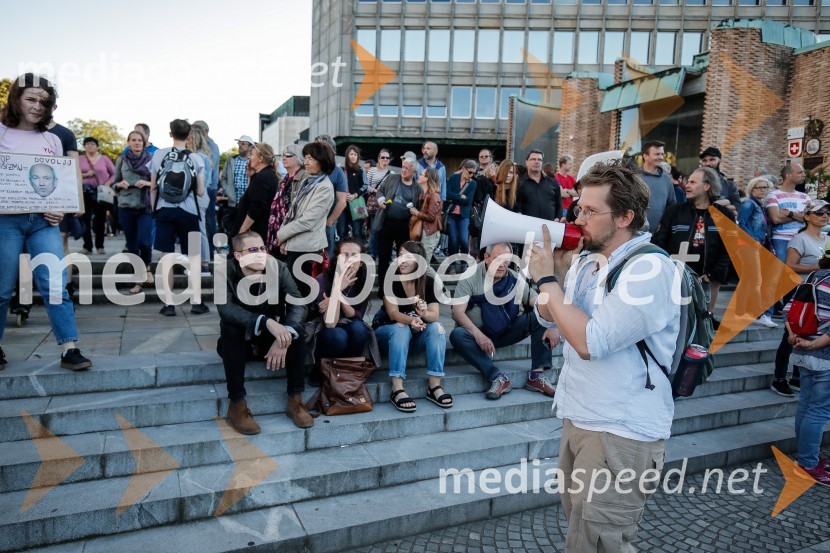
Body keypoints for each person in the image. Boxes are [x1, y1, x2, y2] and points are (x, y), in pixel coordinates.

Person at [528, 159, 680, 552]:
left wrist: (547, 281)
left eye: (591, 211)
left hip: (621, 428)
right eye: (579, 207)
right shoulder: (585, 258)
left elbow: (589, 341)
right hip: (581, 415)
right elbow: (546, 312)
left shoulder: (649, 268)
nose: (579, 217)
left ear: (626, 216)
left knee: (601, 542)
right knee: (581, 530)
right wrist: (557, 277)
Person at [0, 73, 91, 370]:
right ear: (16, 98)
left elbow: (60, 180)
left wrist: (61, 208)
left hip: (44, 221)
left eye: (44, 101)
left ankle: (69, 348)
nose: (38, 106)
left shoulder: (52, 139)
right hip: (5, 222)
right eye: (31, 99)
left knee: (55, 283)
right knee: (2, 288)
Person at [216, 231, 310, 433]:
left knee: (297, 333)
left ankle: (295, 401)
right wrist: (264, 321)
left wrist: (284, 335)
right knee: (231, 330)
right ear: (239, 256)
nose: (260, 254)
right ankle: (237, 406)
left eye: (262, 248)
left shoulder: (277, 267)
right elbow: (225, 309)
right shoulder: (224, 271)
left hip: (267, 339)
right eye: (252, 250)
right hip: (239, 339)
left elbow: (298, 303)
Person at [450, 242, 558, 400]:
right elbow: (457, 313)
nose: (502, 264)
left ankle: (536, 376)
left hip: (506, 329)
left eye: (506, 260)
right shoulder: (470, 276)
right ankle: (497, 377)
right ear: (487, 258)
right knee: (457, 335)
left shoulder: (513, 277)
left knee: (539, 314)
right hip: (478, 333)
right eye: (497, 259)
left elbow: (537, 300)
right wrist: (479, 335)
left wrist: (552, 323)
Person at [375, 241, 451, 412]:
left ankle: (434, 385)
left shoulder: (428, 282)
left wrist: (423, 314)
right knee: (401, 327)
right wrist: (412, 321)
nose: (401, 260)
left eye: (408, 257)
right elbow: (393, 313)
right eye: (400, 255)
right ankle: (397, 388)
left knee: (437, 328)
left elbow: (434, 314)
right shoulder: (391, 279)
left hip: (412, 338)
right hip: (386, 334)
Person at [653, 167, 734, 314]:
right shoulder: (674, 211)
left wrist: (713, 275)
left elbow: (729, 250)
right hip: (675, 279)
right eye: (687, 182)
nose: (687, 185)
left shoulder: (724, 215)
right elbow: (659, 242)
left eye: (692, 182)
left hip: (707, 280)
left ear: (707, 186)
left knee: (703, 320)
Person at [770, 200, 830, 397]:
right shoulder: (800, 239)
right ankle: (779, 378)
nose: (824, 215)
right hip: (801, 293)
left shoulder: (827, 238)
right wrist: (820, 268)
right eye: (819, 212)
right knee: (790, 336)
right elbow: (790, 265)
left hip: (821, 295)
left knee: (810, 333)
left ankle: (797, 375)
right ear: (807, 217)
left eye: (827, 212)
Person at [150, 119, 206, 316]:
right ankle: (196, 302)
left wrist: (154, 210)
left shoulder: (158, 155)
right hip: (188, 212)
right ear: (189, 135)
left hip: (164, 210)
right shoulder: (197, 159)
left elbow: (153, 187)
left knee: (166, 257)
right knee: (192, 257)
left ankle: (169, 304)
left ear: (170, 134)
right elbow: (200, 192)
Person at [786, 243, 830, 486]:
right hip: (824, 355)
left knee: (806, 405)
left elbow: (788, 310)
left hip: (801, 349)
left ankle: (805, 458)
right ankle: (808, 463)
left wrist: (794, 337)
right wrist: (815, 345)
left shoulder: (814, 276)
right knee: (819, 411)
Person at [305, 237, 379, 378]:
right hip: (322, 331)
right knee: (338, 335)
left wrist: (336, 295)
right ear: (337, 258)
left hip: (349, 325)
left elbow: (356, 316)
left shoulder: (363, 282)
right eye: (345, 255)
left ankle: (346, 370)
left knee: (360, 329)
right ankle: (321, 369)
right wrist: (338, 286)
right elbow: (330, 322)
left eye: (355, 256)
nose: (350, 260)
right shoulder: (322, 280)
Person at [276, 141, 335, 299]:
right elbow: (292, 212)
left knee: (300, 292)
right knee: (291, 289)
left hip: (307, 247)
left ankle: (299, 323)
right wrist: (284, 239)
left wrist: (282, 234)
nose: (306, 162)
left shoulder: (324, 187)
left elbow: (307, 221)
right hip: (295, 243)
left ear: (322, 161)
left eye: (310, 158)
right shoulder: (308, 181)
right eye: (306, 158)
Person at [112, 130, 154, 295]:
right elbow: (113, 183)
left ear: (144, 143)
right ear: (128, 142)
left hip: (145, 206)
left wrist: (147, 182)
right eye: (134, 140)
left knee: (144, 241)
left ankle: (147, 268)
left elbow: (158, 182)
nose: (137, 143)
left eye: (140, 140)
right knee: (132, 246)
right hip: (126, 205)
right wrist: (118, 184)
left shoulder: (151, 161)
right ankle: (138, 280)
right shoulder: (121, 160)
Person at [374, 157, 420, 288]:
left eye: (407, 168)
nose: (404, 170)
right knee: (383, 256)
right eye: (403, 167)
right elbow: (380, 190)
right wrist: (381, 200)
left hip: (404, 225)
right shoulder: (392, 178)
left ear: (414, 171)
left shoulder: (417, 188)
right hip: (386, 222)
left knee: (403, 258)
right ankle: (383, 288)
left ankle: (400, 287)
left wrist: (415, 211)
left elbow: (419, 207)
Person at [736, 177, 776, 328]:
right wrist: (753, 241)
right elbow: (741, 223)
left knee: (749, 279)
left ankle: (742, 312)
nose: (762, 190)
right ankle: (758, 314)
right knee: (756, 279)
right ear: (752, 189)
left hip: (758, 245)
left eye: (765, 187)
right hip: (750, 246)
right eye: (759, 187)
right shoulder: (749, 204)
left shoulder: (761, 205)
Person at [266, 144, 306, 257]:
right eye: (283, 155)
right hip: (280, 232)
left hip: (293, 236)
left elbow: (299, 213)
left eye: (288, 155)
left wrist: (287, 238)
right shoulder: (284, 180)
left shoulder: (304, 178)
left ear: (299, 158)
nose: (284, 157)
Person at [232, 143, 278, 241]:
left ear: (260, 159)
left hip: (256, 232)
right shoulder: (268, 174)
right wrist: (250, 177)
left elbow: (255, 208)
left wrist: (242, 231)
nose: (249, 158)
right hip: (262, 230)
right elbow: (251, 197)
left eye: (252, 154)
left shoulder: (261, 177)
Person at [186, 125, 215, 278]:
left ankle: (203, 265)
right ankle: (203, 264)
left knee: (198, 230)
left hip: (197, 195)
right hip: (202, 196)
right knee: (200, 230)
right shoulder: (206, 156)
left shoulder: (196, 156)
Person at [78, 137, 115, 254]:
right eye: (87, 144)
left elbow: (114, 174)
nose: (90, 146)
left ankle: (100, 246)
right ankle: (87, 246)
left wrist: (108, 183)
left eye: (92, 144)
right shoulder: (79, 159)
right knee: (84, 220)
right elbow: (73, 173)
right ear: (84, 146)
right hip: (84, 192)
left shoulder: (104, 159)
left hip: (100, 193)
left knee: (100, 220)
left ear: (97, 146)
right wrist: (85, 175)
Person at [315, 135, 348, 257]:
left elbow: (342, 201)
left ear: (332, 151)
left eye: (323, 147)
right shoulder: (309, 169)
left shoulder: (337, 172)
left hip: (326, 223)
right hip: (308, 222)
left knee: (326, 258)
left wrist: (330, 221)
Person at [191, 121, 220, 253]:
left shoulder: (211, 146)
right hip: (205, 187)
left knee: (208, 221)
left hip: (208, 188)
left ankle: (209, 250)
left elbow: (211, 170)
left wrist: (208, 188)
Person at [445, 160, 478, 270]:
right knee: (453, 239)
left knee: (464, 240)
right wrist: (460, 197)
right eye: (470, 172)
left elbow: (468, 201)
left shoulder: (473, 183)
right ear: (464, 168)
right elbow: (447, 194)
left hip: (464, 215)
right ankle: (452, 264)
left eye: (474, 173)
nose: (472, 175)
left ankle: (464, 263)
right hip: (452, 214)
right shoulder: (454, 178)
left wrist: (456, 198)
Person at [639, 140, 676, 232]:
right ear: (645, 156)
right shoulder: (634, 177)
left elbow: (672, 206)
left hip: (659, 235)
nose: (661, 157)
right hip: (635, 234)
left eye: (662, 154)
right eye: (657, 154)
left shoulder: (666, 179)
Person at [514, 149, 561, 222]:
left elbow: (559, 205)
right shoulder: (519, 184)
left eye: (539, 160)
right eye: (533, 159)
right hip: (528, 228)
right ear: (526, 162)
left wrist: (558, 218)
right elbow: (517, 208)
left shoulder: (552, 183)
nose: (536, 162)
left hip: (550, 227)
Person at [365, 148, 395, 258]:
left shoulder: (391, 173)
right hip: (374, 203)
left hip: (385, 203)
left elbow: (392, 189)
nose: (385, 159)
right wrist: (376, 191)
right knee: (374, 229)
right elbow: (366, 186)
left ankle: (383, 253)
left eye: (387, 158)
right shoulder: (372, 170)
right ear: (378, 158)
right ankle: (372, 253)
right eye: (383, 157)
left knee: (384, 230)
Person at [410, 166, 443, 257]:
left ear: (426, 178)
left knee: (424, 264)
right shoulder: (423, 194)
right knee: (421, 263)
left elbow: (431, 217)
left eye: (421, 174)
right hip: (425, 230)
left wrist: (416, 213)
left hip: (430, 232)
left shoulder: (433, 196)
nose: (419, 176)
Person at [699, 146, 742, 214]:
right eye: (704, 160)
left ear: (720, 161)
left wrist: (715, 206)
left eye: (712, 159)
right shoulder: (694, 182)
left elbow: (737, 207)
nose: (708, 164)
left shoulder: (729, 186)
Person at [219, 135, 254, 213]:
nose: (240, 146)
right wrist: (227, 190)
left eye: (243, 144)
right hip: (233, 203)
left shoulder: (254, 161)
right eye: (239, 143)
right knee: (234, 224)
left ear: (250, 147)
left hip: (249, 204)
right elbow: (223, 177)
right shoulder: (231, 160)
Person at [341, 145, 366, 240]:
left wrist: (355, 195)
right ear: (347, 156)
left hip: (356, 203)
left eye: (355, 154)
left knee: (357, 231)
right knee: (342, 231)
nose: (353, 156)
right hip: (343, 204)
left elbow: (365, 186)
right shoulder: (342, 169)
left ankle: (358, 252)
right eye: (351, 154)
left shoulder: (361, 170)